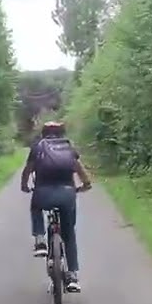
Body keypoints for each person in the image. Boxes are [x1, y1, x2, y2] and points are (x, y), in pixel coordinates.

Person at [20, 120, 91, 292]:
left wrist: (24, 186)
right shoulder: (69, 148)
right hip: (67, 195)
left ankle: (40, 240)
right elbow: (82, 173)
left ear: (43, 133)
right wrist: (85, 185)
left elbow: (27, 171)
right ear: (62, 133)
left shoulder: (38, 148)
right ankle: (72, 276)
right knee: (69, 234)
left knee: (36, 207)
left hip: (43, 194)